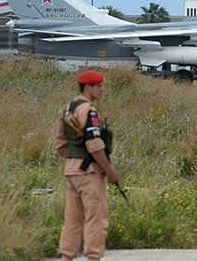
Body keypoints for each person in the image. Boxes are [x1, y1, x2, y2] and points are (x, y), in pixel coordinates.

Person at [54, 70, 119, 261]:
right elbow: (94, 144)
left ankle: (67, 256)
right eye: (98, 86)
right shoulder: (88, 110)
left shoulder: (68, 108)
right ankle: (93, 257)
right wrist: (109, 170)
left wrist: (75, 159)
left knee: (72, 220)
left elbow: (60, 143)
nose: (102, 89)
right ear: (88, 87)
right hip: (89, 173)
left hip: (72, 170)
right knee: (95, 218)